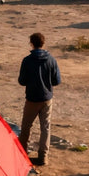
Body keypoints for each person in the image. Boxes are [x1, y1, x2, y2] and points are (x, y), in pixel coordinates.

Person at [18, 32, 61, 166]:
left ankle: (22, 155)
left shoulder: (27, 60)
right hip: (47, 99)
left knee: (26, 127)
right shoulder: (52, 60)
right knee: (45, 128)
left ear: (31, 43)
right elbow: (56, 81)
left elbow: (22, 81)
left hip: (32, 99)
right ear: (43, 43)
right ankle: (43, 157)